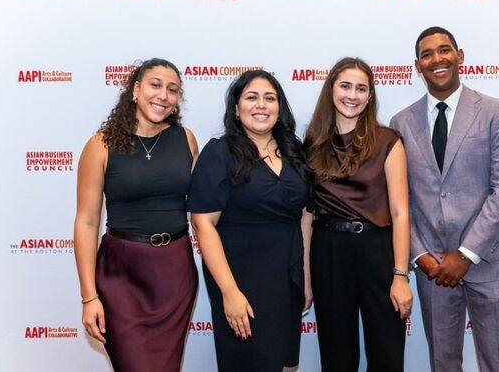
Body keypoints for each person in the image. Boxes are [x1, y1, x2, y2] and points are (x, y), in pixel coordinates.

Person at [390, 26, 499, 372]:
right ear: (417, 66)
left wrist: (466, 254)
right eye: (427, 54)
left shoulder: (494, 112)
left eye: (444, 50)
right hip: (432, 268)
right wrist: (419, 254)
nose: (437, 59)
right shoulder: (401, 123)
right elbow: (400, 200)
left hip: (489, 262)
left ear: (459, 56)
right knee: (442, 362)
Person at [73, 58, 199, 372]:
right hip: (121, 276)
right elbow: (87, 222)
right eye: (155, 85)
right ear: (135, 89)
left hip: (174, 272)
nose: (163, 95)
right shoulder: (101, 145)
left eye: (173, 90)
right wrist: (89, 297)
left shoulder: (186, 140)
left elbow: (204, 211)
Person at [187, 70, 312, 372]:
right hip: (240, 279)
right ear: (236, 107)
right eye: (252, 97)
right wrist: (230, 292)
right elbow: (203, 224)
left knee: (283, 364)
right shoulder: (220, 153)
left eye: (270, 98)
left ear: (279, 107)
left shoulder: (295, 150)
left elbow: (306, 215)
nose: (261, 105)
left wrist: (306, 277)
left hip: (287, 277)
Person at [303, 57, 413, 372]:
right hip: (328, 251)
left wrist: (400, 275)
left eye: (361, 89)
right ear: (331, 90)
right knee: (336, 355)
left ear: (369, 97)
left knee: (387, 351)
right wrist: (307, 280)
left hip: (377, 250)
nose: (352, 95)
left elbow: (400, 212)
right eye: (345, 86)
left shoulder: (387, 140)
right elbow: (307, 216)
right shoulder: (312, 142)